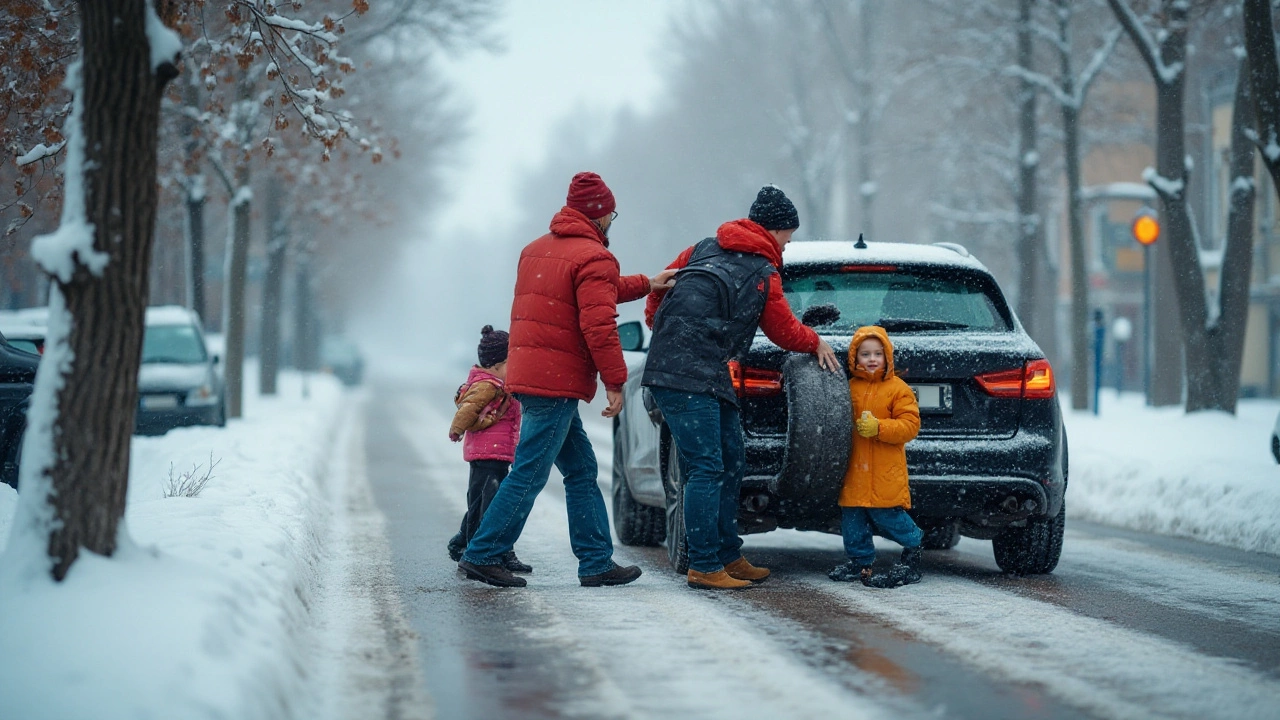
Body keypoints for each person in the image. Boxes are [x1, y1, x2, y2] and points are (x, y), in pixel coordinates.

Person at [458, 172, 675, 588]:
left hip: (531, 374)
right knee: (530, 472)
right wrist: (615, 381)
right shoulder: (594, 256)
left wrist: (648, 282)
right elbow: (598, 324)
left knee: (580, 469)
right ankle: (482, 552)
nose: (614, 219)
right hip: (555, 382)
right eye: (613, 212)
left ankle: (596, 561)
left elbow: (592, 291)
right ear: (599, 215)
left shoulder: (536, 250)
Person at [643, 185, 841, 590]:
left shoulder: (699, 249)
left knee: (732, 459)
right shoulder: (763, 271)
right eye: (789, 233)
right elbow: (783, 329)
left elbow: (658, 291)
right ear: (777, 229)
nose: (790, 241)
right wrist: (815, 341)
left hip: (704, 368)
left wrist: (662, 328)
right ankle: (703, 564)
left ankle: (728, 554)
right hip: (683, 375)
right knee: (706, 467)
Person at [828, 325, 924, 589]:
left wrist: (879, 428)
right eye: (865, 354)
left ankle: (914, 546)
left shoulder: (898, 389)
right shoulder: (847, 388)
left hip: (885, 470)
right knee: (852, 519)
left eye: (878, 354)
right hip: (854, 470)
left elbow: (910, 425)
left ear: (887, 357)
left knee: (887, 515)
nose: (871, 359)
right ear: (854, 358)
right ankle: (860, 561)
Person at [445, 326, 530, 574]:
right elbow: (467, 409)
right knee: (486, 506)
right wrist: (456, 430)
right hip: (486, 455)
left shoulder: (499, 383)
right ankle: (474, 550)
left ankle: (483, 547)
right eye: (510, 363)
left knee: (489, 505)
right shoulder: (487, 386)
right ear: (496, 364)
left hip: (499, 453)